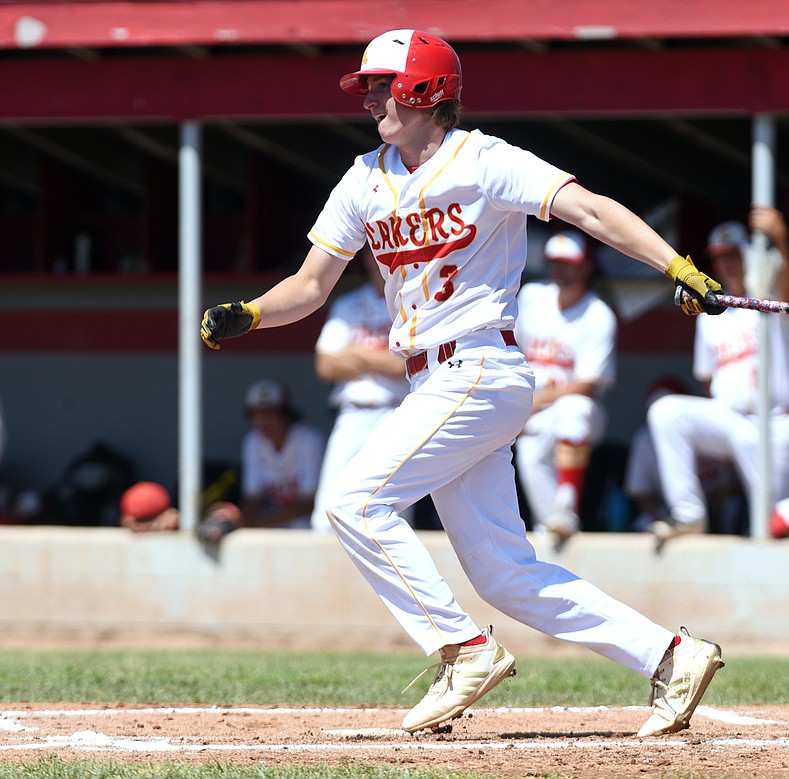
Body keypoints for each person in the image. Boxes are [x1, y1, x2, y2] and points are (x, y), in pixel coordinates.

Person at [199, 28, 725, 738]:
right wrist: (253, 313)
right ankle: (673, 655)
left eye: (384, 84)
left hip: (480, 364)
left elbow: (593, 210)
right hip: (432, 381)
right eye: (371, 87)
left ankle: (462, 650)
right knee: (504, 573)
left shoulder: (485, 160)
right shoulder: (364, 177)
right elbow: (310, 285)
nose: (372, 99)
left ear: (424, 87)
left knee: (355, 500)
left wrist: (674, 266)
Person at [646, 207, 789, 549]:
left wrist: (780, 238)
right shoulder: (709, 317)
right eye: (720, 257)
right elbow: (708, 380)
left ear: (749, 254)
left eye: (733, 254)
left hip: (776, 425)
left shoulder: (767, 298)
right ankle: (688, 513)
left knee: (773, 526)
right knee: (666, 412)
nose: (726, 263)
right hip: (733, 421)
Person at [514, 230, 616, 545]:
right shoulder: (531, 296)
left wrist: (535, 400)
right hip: (531, 409)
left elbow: (586, 385)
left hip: (575, 412)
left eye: (569, 263)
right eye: (555, 262)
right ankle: (554, 525)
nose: (560, 269)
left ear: (586, 267)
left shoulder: (598, 314)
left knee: (575, 409)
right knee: (529, 457)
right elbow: (509, 348)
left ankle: (567, 501)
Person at [312, 246, 410, 532]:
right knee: (326, 514)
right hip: (352, 414)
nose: (379, 258)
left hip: (397, 414)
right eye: (373, 253)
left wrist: (358, 355)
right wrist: (383, 356)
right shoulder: (348, 305)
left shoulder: (411, 302)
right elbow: (326, 366)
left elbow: (405, 366)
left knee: (394, 513)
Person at [198, 379, 325, 542]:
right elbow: (253, 498)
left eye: (269, 413)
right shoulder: (253, 442)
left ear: (286, 414)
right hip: (275, 517)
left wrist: (256, 522)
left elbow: (309, 503)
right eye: (256, 414)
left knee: (301, 525)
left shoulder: (310, 440)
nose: (262, 421)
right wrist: (240, 519)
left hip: (307, 520)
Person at [624, 376, 745, 534]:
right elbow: (641, 492)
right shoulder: (644, 439)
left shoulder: (710, 426)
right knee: (645, 523)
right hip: (671, 510)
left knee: (733, 508)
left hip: (720, 505)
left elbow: (737, 481)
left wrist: (723, 494)